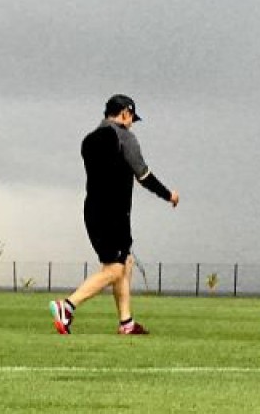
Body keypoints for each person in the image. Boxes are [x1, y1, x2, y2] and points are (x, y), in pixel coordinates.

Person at [49, 95, 179, 335]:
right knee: (115, 269)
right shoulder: (124, 137)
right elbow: (144, 176)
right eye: (131, 118)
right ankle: (66, 306)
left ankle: (126, 322)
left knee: (125, 261)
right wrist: (169, 194)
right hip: (113, 213)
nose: (132, 123)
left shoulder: (88, 140)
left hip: (93, 210)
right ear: (125, 113)